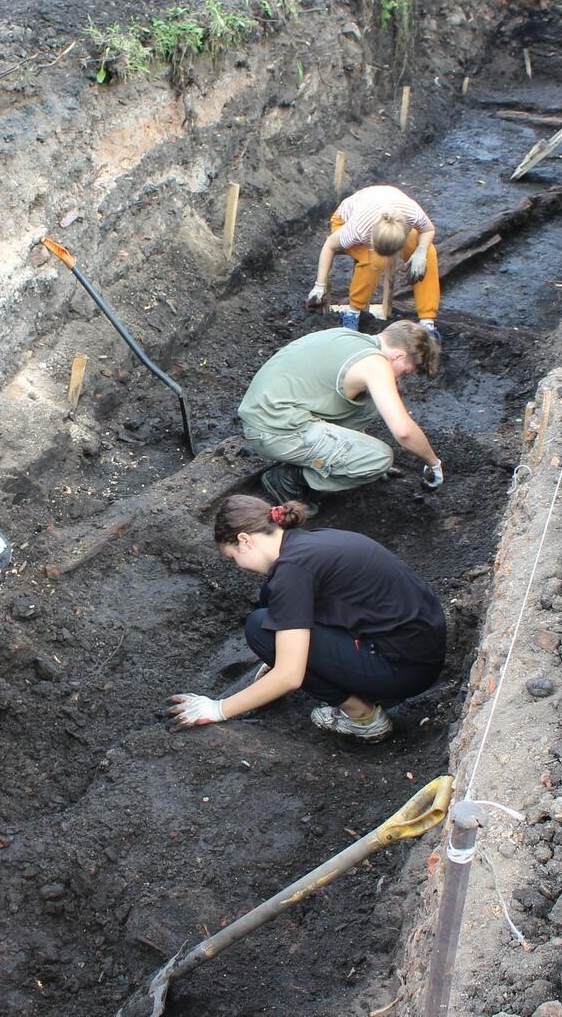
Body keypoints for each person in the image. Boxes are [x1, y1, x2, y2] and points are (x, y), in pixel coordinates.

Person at [169, 496, 450, 741]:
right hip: (420, 648)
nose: (239, 566)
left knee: (260, 629)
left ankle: (364, 719)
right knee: (271, 610)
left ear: (245, 540)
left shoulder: (293, 570)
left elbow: (290, 676)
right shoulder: (308, 543)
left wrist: (218, 709)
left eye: (233, 558)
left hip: (405, 670)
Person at [239, 320, 444, 511]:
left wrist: (357, 446)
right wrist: (433, 463)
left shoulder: (349, 338)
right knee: (379, 458)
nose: (402, 377)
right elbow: (404, 432)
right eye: (406, 372)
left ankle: (337, 455)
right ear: (398, 355)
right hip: (273, 431)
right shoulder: (376, 364)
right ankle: (288, 480)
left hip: (270, 411)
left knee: (370, 402)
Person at [306, 184, 441, 339]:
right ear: (370, 239)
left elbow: (428, 230)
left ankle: (427, 321)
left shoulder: (412, 214)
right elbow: (329, 245)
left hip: (389, 212)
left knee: (429, 253)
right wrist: (319, 286)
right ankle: (353, 312)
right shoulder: (357, 230)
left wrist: (421, 251)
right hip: (344, 220)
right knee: (375, 260)